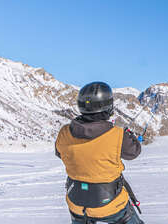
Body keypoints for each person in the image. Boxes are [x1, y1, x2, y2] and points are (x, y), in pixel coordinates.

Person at [55, 82, 144, 224]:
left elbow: (60, 153)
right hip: (110, 204)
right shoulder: (117, 135)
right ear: (108, 106)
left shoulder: (64, 132)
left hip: (76, 202)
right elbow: (134, 152)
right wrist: (128, 135)